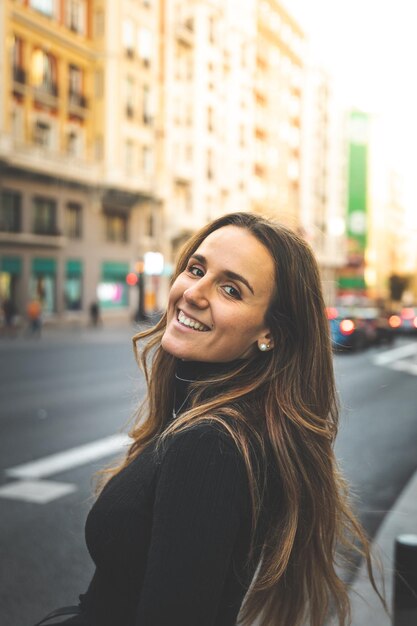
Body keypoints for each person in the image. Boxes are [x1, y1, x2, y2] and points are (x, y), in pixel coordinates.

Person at [34, 212, 385, 626]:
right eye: (196, 269)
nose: (194, 292)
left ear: (269, 332)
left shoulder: (211, 446)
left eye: (231, 290)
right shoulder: (219, 422)